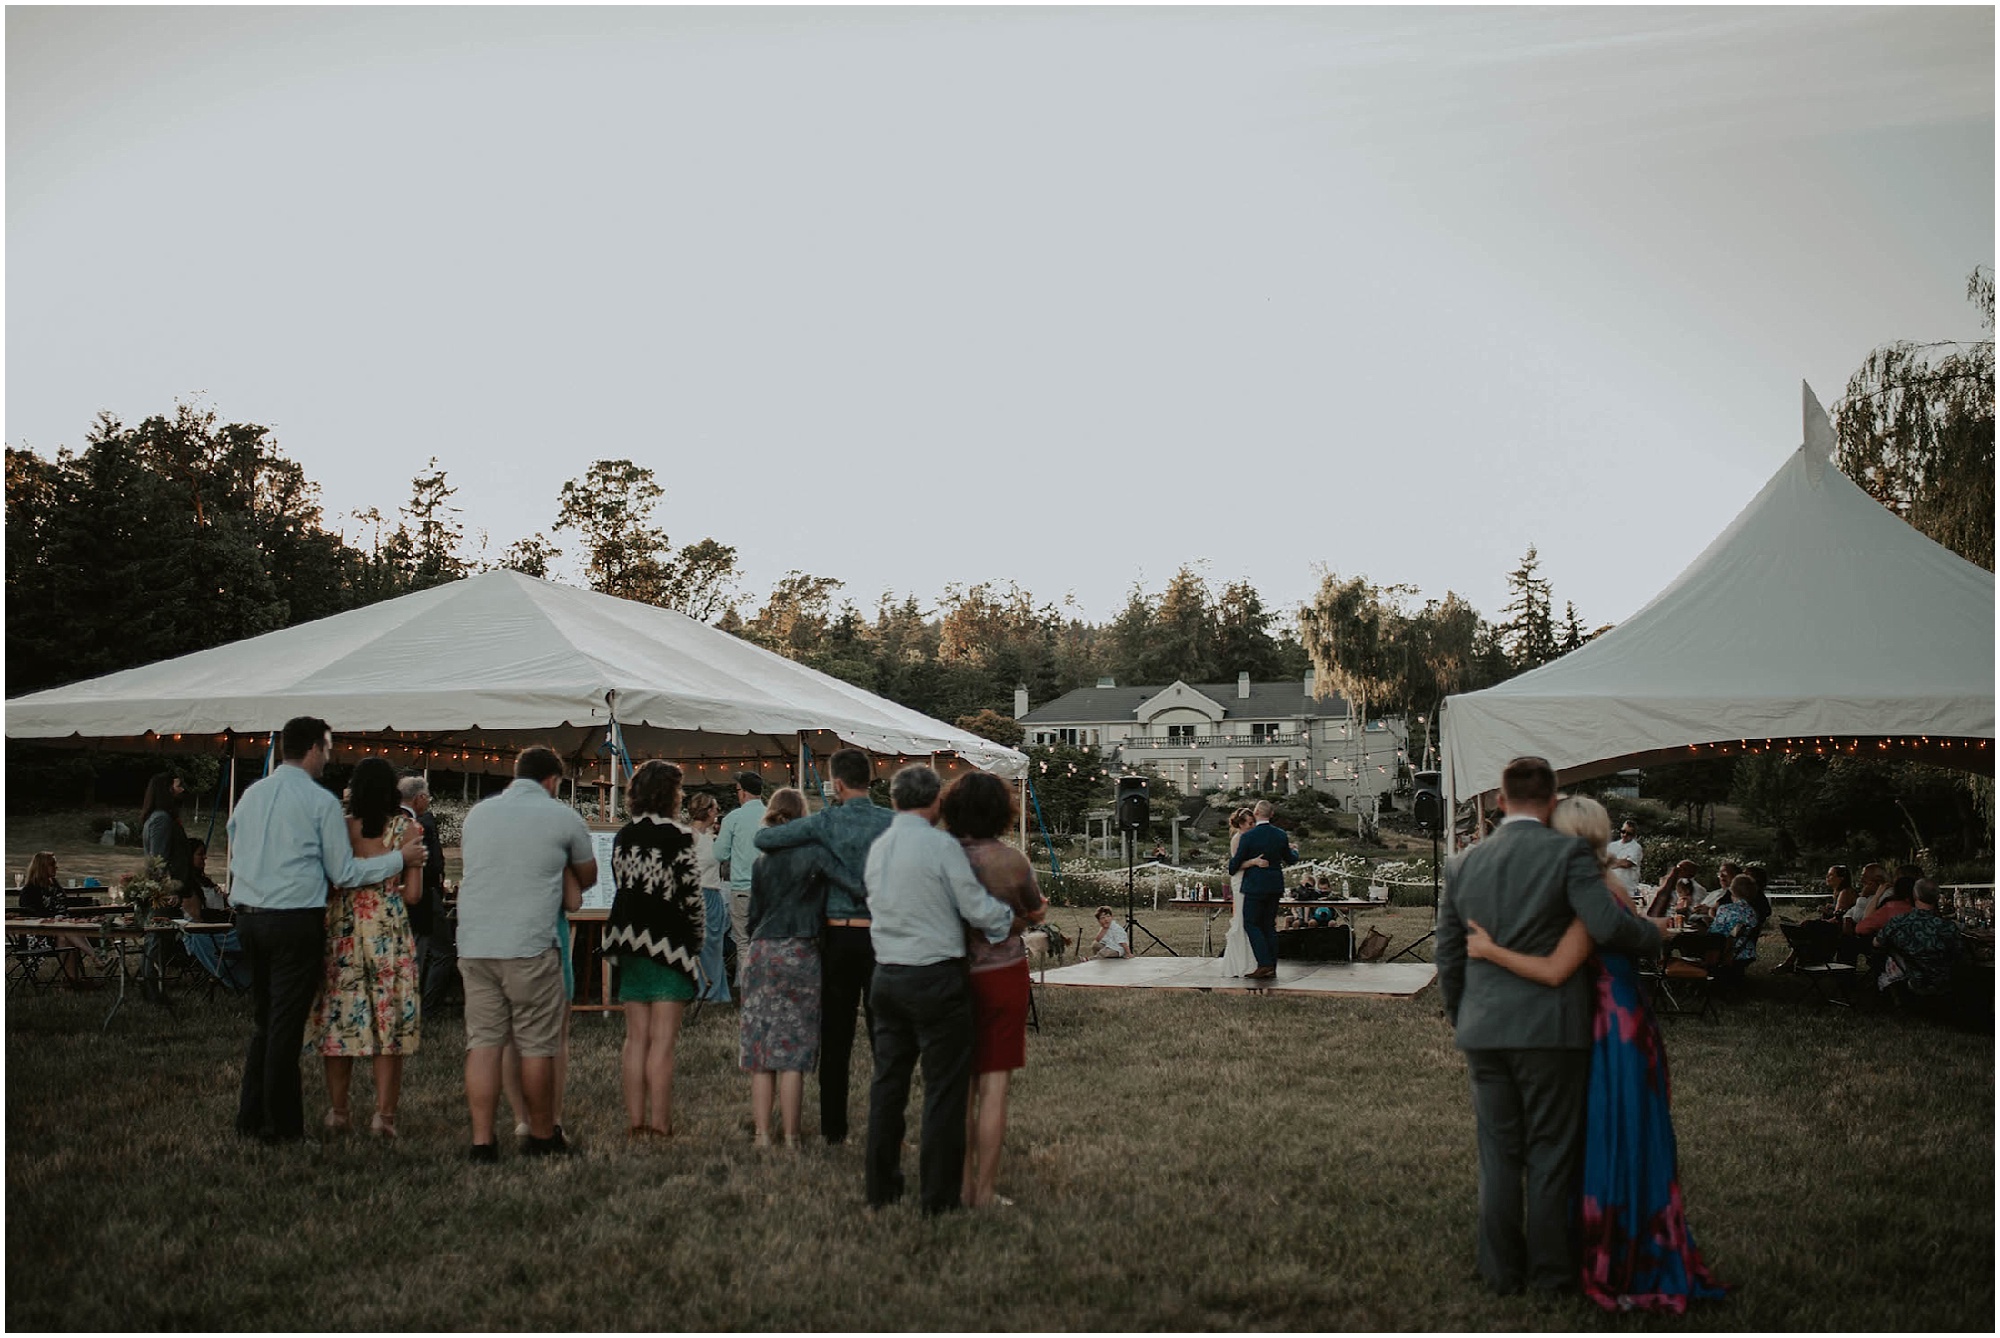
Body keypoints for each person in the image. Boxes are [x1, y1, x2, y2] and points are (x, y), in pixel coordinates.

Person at [1456, 793, 1724, 1312]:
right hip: (1616, 1016)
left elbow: (1559, 967)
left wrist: (1488, 951)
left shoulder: (1589, 891)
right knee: (1611, 1132)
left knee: (1608, 1133)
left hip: (1609, 1025)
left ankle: (1615, 1253)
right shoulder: (1593, 885)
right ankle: (1601, 1242)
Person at [1434, 757, 1664, 1297]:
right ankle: (1551, 1277)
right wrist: (1656, 934)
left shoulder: (1463, 863)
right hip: (1552, 1027)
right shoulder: (1568, 855)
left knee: (1497, 1155)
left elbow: (1449, 955)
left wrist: (1461, 1014)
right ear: (1555, 799)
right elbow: (1607, 925)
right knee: (1550, 1153)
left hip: (1484, 1027)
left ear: (1498, 800)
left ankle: (1499, 1273)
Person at [227, 716, 425, 1144]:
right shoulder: (318, 803)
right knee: (284, 1025)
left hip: (246, 915)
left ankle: (250, 1117)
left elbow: (234, 844)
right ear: (315, 748)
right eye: (329, 750)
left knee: (264, 1021)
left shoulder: (251, 795)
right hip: (292, 919)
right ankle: (280, 1128)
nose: (328, 759)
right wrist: (400, 860)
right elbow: (344, 872)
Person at [861, 764, 1017, 1215]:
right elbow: (975, 907)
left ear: (893, 800)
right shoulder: (940, 846)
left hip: (886, 974)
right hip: (935, 975)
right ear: (935, 803)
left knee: (887, 1086)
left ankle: (881, 1188)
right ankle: (938, 1198)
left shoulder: (880, 846)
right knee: (944, 1090)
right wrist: (1009, 920)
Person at [457, 746, 596, 1160]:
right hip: (529, 944)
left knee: (483, 1044)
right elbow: (586, 876)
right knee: (537, 1043)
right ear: (552, 780)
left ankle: (482, 1142)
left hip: (476, 942)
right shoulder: (562, 817)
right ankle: (541, 1137)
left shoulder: (478, 814)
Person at [753, 747, 893, 1146]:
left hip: (837, 934)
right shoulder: (891, 822)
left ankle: (835, 1131)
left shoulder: (824, 822)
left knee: (837, 1037)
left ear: (837, 782)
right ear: (869, 780)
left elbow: (764, 838)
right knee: (886, 1035)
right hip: (881, 935)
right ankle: (887, 1128)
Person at [940, 771, 1047, 1209]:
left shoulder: (942, 857)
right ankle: (983, 1192)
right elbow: (1036, 912)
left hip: (951, 973)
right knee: (995, 1086)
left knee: (958, 1086)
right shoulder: (1013, 861)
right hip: (1003, 973)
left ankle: (959, 1184)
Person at [305, 757, 424, 1139]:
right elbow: (417, 895)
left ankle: (338, 1112)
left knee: (342, 1015)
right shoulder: (407, 830)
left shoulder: (339, 829)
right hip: (388, 929)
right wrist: (389, 893)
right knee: (386, 1021)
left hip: (342, 929)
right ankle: (383, 1117)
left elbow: (326, 883)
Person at [602, 760, 705, 1140]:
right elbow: (692, 898)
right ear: (669, 795)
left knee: (635, 1039)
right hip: (669, 943)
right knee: (663, 1041)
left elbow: (620, 883)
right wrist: (696, 941)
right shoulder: (680, 838)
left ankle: (635, 1122)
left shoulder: (622, 837)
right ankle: (661, 1125)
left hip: (627, 940)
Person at [739, 787, 829, 1148]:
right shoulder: (815, 858)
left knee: (761, 1052)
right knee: (794, 1050)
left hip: (763, 950)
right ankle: (791, 1136)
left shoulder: (762, 862)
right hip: (801, 950)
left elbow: (753, 916)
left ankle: (762, 1134)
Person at [398, 775, 454, 1014]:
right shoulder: (421, 824)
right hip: (422, 892)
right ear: (420, 798)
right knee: (441, 951)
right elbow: (431, 865)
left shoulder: (387, 819)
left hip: (396, 895)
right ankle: (427, 1005)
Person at [1226, 799, 1298, 981]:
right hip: (1274, 885)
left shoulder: (1248, 837)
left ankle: (1264, 963)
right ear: (1271, 815)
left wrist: (1243, 863)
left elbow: (1234, 866)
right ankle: (1272, 966)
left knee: (1251, 923)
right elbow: (1291, 859)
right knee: (1269, 925)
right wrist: (1295, 851)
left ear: (1256, 814)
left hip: (1255, 886)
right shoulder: (1280, 835)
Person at [714, 771, 768, 991]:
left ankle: (749, 990)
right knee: (765, 940)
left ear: (743, 792)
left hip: (742, 888)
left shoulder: (733, 818)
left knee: (744, 942)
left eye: (737, 790)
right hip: (768, 889)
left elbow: (719, 853)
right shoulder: (772, 816)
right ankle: (765, 987)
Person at [180, 840, 251, 993]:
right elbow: (198, 916)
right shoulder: (187, 885)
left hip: (222, 927)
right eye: (200, 854)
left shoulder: (204, 881)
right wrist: (224, 914)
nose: (204, 858)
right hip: (207, 934)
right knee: (254, 936)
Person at [1876, 880, 1964, 1002]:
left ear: (1915, 896)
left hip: (1908, 977)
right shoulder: (1947, 927)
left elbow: (1877, 943)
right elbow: (1959, 952)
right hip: (1942, 980)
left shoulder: (1898, 922)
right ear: (1937, 897)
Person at [17, 851, 94, 985]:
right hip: (38, 933)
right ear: (42, 867)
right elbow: (33, 915)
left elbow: (65, 905)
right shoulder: (29, 891)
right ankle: (94, 957)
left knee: (65, 935)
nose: (56, 867)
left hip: (60, 929)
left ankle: (72, 981)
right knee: (66, 932)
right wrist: (58, 919)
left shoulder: (54, 885)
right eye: (52, 864)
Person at [684, 791, 731, 1003]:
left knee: (714, 945)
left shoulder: (712, 837)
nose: (717, 813)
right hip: (698, 893)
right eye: (714, 809)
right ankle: (701, 990)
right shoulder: (689, 835)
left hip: (714, 893)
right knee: (700, 945)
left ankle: (715, 991)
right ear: (706, 810)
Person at [1219, 808, 1258, 977]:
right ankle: (1240, 963)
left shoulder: (1250, 837)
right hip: (1241, 880)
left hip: (1250, 881)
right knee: (1241, 920)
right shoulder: (1237, 839)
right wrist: (1254, 862)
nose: (1253, 825)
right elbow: (1236, 865)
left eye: (1254, 822)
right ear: (1241, 824)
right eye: (1250, 823)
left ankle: (1251, 960)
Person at [1708, 874, 1761, 975]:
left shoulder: (1725, 909)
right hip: (1745, 951)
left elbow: (1715, 933)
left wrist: (1710, 919)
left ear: (1732, 890)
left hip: (1725, 951)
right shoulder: (1752, 912)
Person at [1606, 820, 1643, 899]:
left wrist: (1612, 861)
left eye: (1629, 833)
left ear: (1634, 835)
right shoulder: (1611, 845)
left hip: (1626, 889)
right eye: (1623, 831)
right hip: (1609, 887)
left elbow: (1627, 863)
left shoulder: (1636, 848)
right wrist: (1620, 861)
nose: (1625, 835)